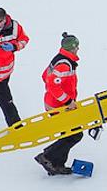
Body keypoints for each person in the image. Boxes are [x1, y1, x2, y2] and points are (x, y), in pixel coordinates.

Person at [34, 32, 82, 176]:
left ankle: (56, 164)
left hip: (54, 103)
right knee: (75, 134)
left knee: (67, 133)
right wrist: (67, 101)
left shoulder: (60, 59)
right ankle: (47, 157)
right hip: (60, 107)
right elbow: (53, 84)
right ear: (72, 48)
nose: (78, 49)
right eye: (77, 47)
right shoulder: (64, 65)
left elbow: (45, 76)